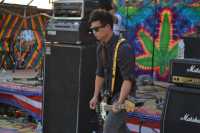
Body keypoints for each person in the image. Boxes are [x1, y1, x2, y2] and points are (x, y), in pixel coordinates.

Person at [89, 11, 136, 133]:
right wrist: (95, 96)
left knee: (109, 127)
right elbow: (100, 74)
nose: (94, 32)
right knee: (121, 128)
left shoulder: (124, 48)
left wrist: (120, 101)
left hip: (126, 95)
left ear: (108, 27)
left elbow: (127, 79)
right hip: (111, 93)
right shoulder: (100, 47)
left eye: (96, 29)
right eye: (92, 29)